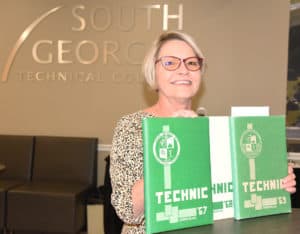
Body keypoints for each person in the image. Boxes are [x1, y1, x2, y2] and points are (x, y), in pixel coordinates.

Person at [109, 31, 297, 234]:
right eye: (170, 63)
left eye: (191, 63)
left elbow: (231, 199)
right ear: (153, 72)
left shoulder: (215, 131)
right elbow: (127, 210)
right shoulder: (132, 126)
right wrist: (176, 140)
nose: (183, 70)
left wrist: (272, 181)